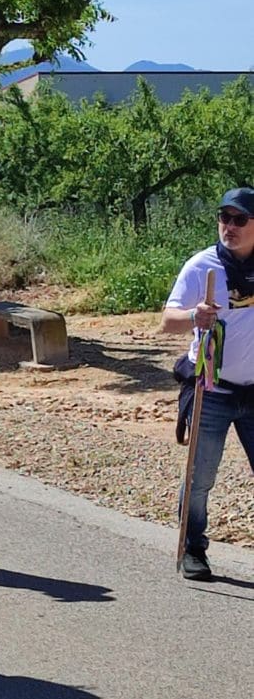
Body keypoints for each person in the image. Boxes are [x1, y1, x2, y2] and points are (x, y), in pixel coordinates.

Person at [161, 186, 254, 581]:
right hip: (211, 388)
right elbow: (167, 321)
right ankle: (192, 549)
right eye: (223, 217)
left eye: (239, 220)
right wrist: (193, 316)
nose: (228, 226)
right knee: (201, 476)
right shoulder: (202, 267)